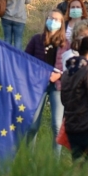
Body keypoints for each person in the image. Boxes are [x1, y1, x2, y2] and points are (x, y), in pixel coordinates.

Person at [25, 10, 66, 153]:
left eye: (57, 19)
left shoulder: (66, 44)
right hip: (38, 86)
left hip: (57, 87)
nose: (53, 21)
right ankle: (28, 156)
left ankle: (55, 161)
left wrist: (58, 75)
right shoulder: (37, 39)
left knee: (56, 125)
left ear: (61, 24)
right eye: (50, 18)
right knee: (32, 125)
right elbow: (26, 60)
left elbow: (70, 67)